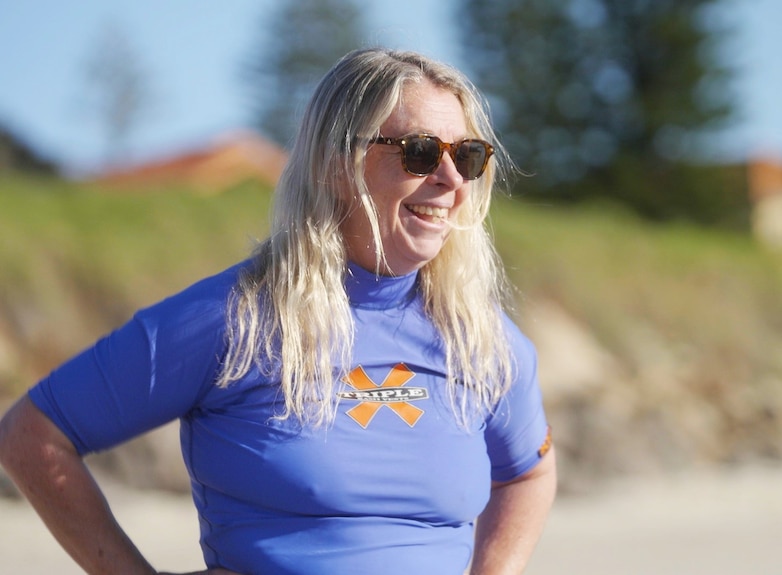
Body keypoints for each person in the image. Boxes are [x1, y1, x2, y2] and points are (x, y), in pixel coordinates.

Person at [0, 48, 556, 575]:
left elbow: (528, 473)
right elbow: (33, 434)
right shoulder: (232, 320)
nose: (452, 180)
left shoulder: (480, 338)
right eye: (419, 152)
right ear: (335, 164)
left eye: (467, 155)